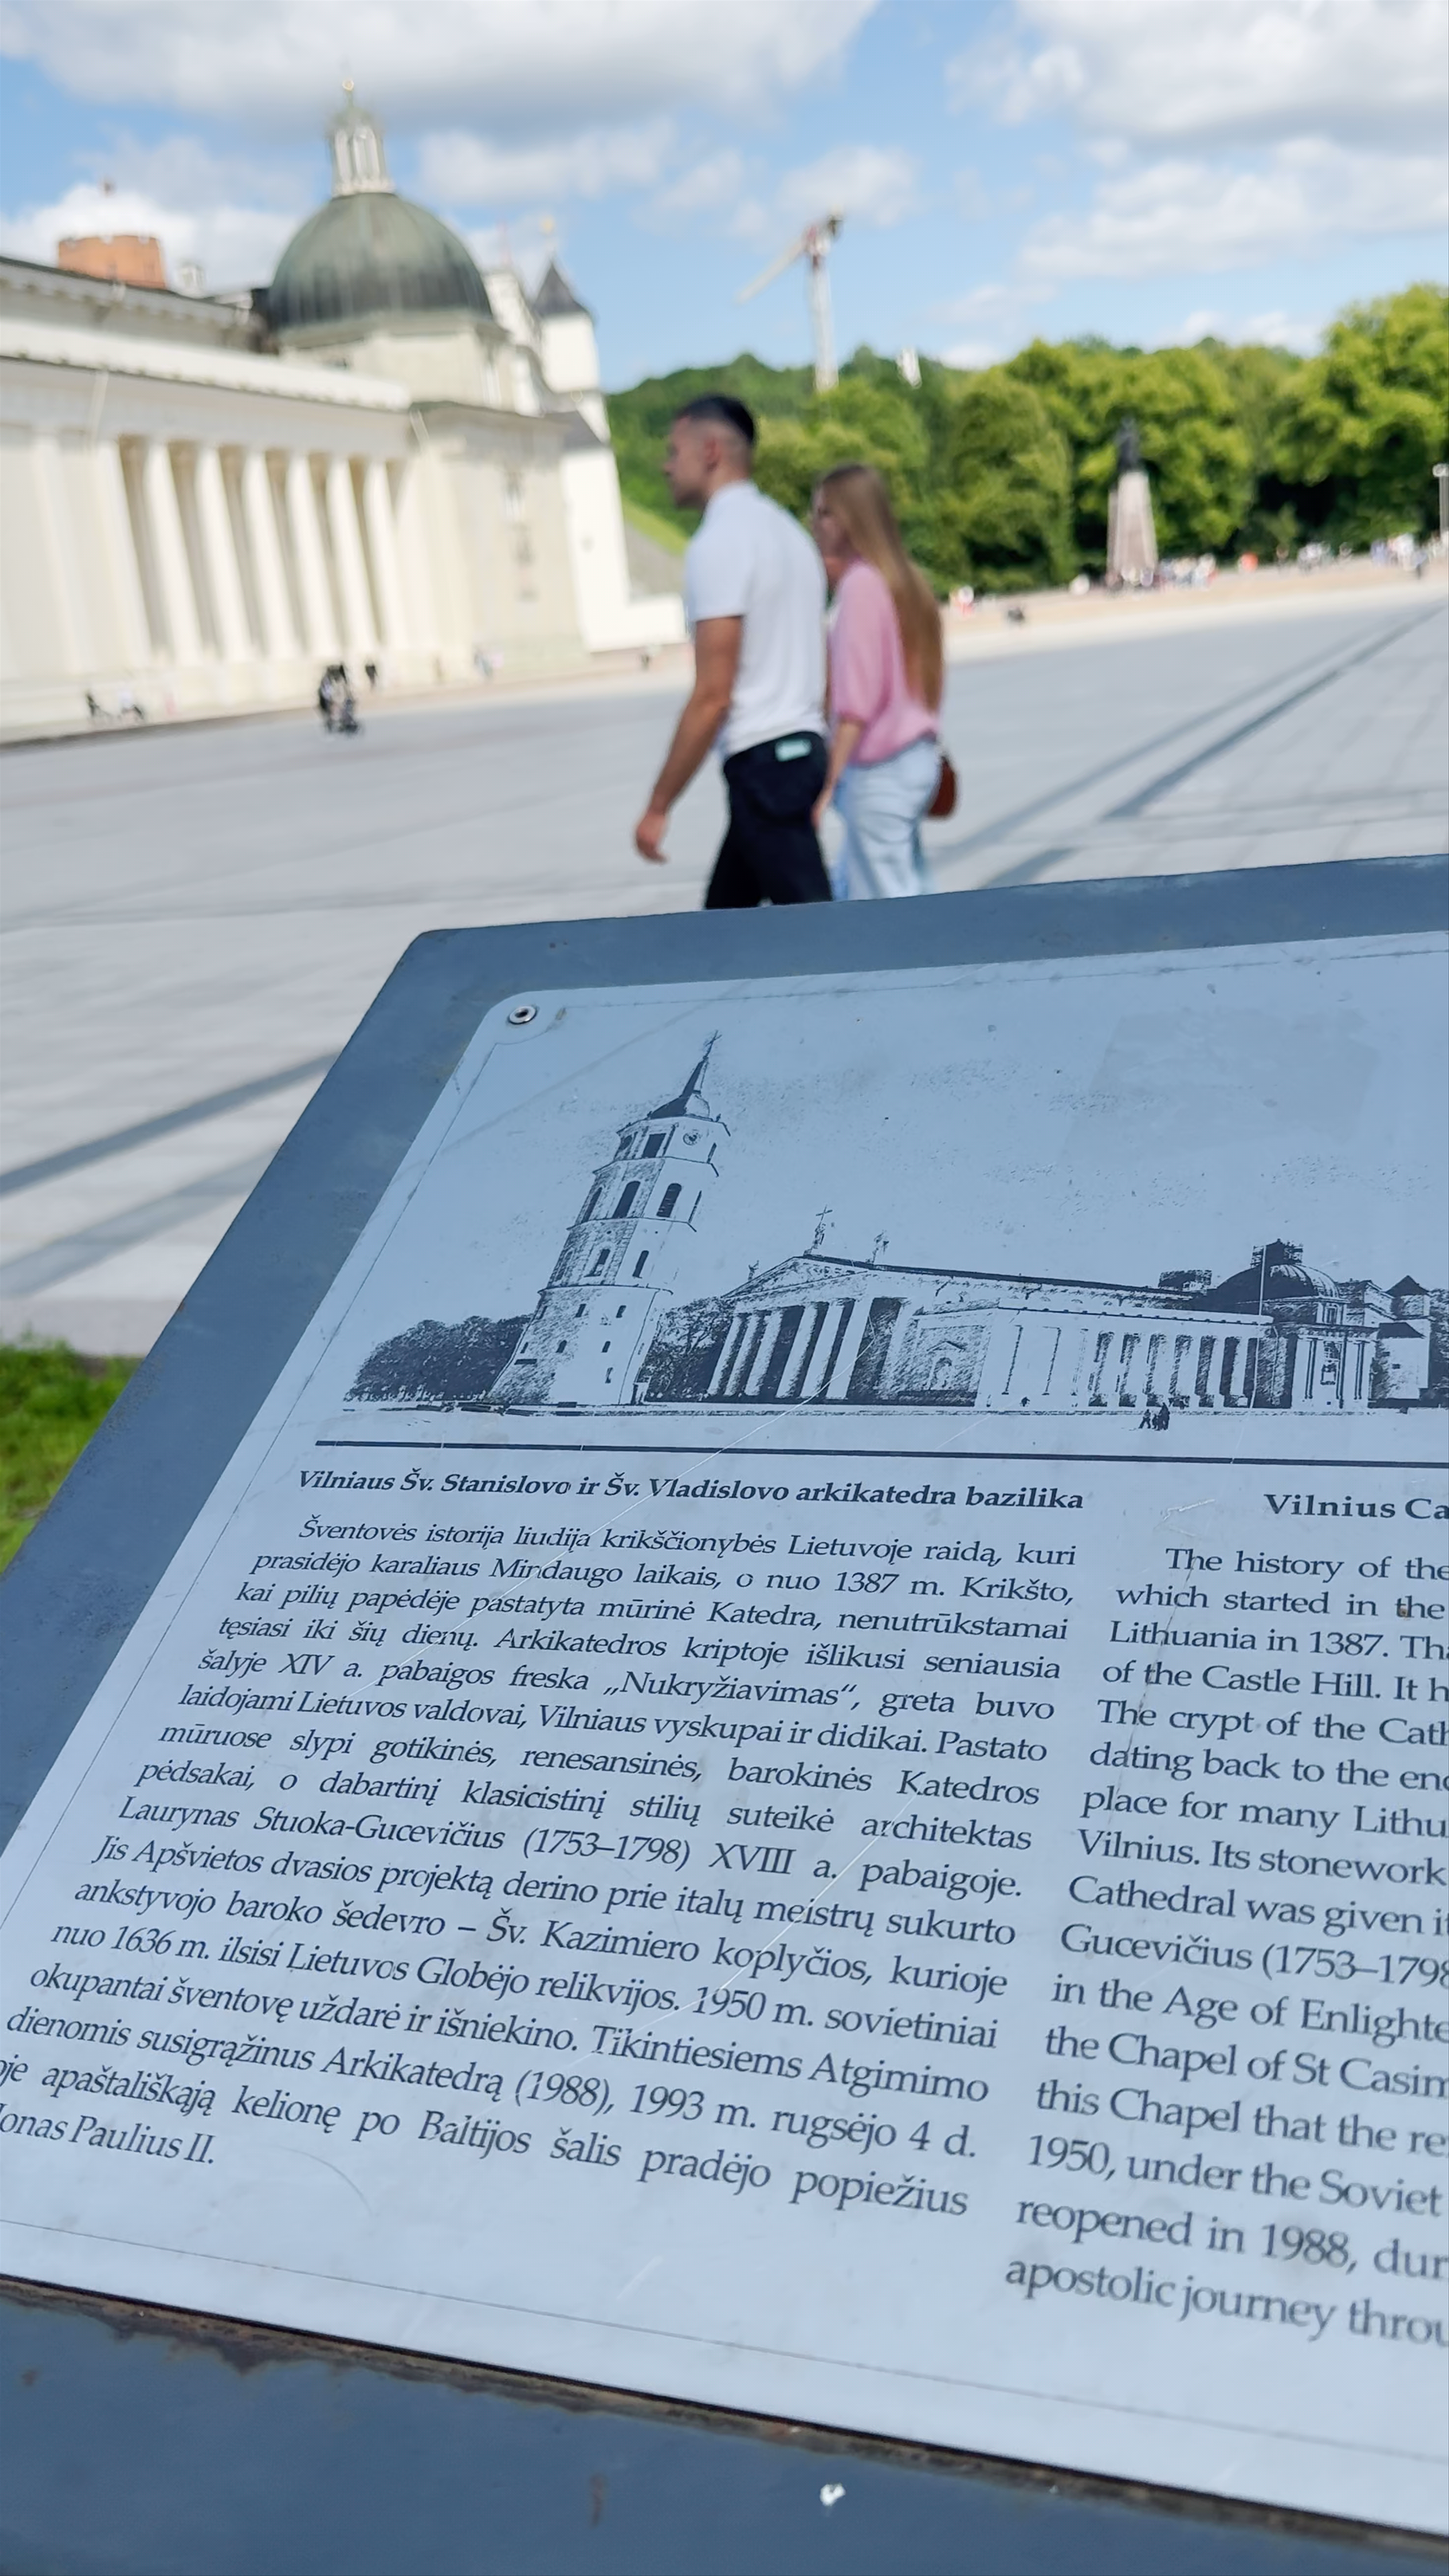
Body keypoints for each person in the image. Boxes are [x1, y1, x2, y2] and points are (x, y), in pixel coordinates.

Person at [634, 394, 830, 906]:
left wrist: (659, 805)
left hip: (766, 763)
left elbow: (713, 695)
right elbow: (820, 656)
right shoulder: (788, 533)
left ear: (711, 451)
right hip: (799, 751)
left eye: (675, 452)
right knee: (725, 921)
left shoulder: (721, 542)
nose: (666, 466)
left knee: (818, 929)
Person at [810, 464, 944, 900]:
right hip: (916, 759)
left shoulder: (861, 585)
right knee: (900, 888)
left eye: (826, 512)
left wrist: (827, 783)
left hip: (880, 769)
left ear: (853, 518)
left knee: (882, 906)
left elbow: (856, 703)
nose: (816, 523)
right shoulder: (905, 581)